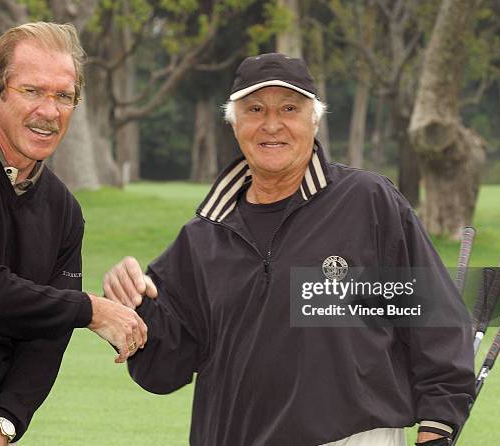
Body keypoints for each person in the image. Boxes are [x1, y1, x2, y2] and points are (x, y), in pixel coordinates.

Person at [103, 53, 475, 445]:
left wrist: (438, 424)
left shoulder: (368, 201)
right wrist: (130, 307)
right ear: (235, 123)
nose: (272, 124)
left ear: (314, 120)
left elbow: (434, 319)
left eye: (290, 108)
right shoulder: (201, 236)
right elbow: (164, 370)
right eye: (255, 109)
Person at [0, 22, 148, 446]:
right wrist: (91, 310)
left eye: (63, 96)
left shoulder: (65, 211)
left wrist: (0, 425)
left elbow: (45, 341)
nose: (49, 111)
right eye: (32, 91)